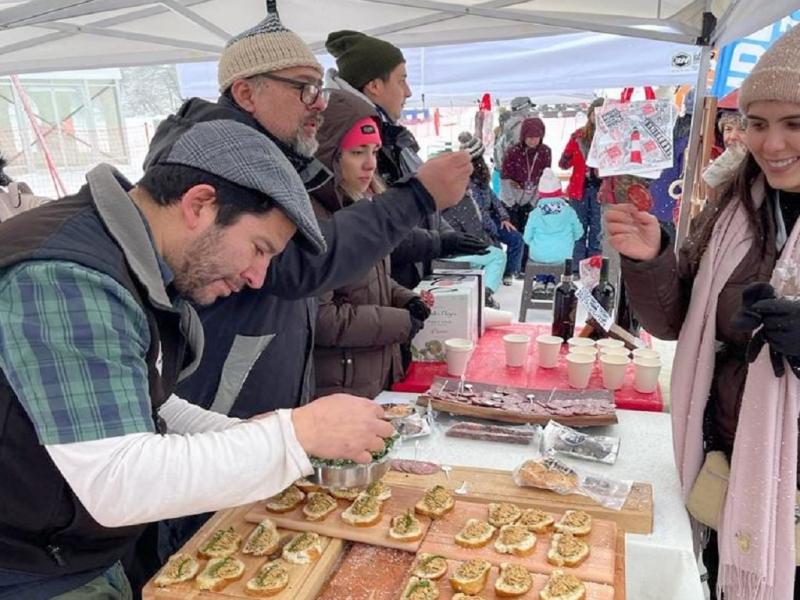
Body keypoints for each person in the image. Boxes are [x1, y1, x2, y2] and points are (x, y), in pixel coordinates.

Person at [142, 2, 471, 582]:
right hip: (223, 384)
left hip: (259, 378)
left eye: (319, 88)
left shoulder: (274, 156)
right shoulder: (220, 155)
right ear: (246, 92)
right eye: (303, 89)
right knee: (212, 551)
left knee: (255, 546)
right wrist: (416, 198)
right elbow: (299, 267)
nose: (317, 103)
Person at [0, 120, 396, 599]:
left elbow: (147, 403)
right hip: (26, 570)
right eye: (259, 249)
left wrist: (249, 433)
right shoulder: (67, 279)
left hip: (72, 553)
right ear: (200, 205)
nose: (257, 277)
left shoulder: (133, 260)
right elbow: (116, 478)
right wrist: (293, 437)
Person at [605, 25, 800, 600]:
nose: (772, 144)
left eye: (795, 123)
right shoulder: (735, 206)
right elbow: (678, 322)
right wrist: (654, 259)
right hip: (731, 454)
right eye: (758, 123)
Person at [325, 29, 489, 291]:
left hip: (403, 289)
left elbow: (423, 204)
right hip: (378, 295)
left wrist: (448, 236)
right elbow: (367, 227)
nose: (409, 91)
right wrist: (440, 242)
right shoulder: (342, 137)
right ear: (375, 86)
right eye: (401, 80)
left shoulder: (395, 139)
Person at [311, 90, 430, 397]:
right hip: (339, 387)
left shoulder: (363, 204)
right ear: (330, 155)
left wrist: (405, 298)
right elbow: (323, 318)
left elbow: (370, 280)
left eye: (375, 151)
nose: (370, 165)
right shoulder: (317, 217)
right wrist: (402, 322)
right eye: (357, 152)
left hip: (372, 375)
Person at [439, 132, 515, 307]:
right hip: (454, 253)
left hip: (439, 248)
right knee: (497, 256)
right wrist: (492, 239)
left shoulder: (442, 193)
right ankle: (485, 295)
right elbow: (475, 235)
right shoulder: (464, 198)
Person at [460, 131, 525, 287]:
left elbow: (493, 197)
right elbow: (477, 210)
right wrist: (493, 232)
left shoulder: (481, 176)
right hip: (476, 223)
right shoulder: (466, 180)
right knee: (495, 250)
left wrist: (504, 217)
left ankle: (509, 271)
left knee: (516, 238)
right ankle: (493, 277)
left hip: (493, 218)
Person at [500, 116, 552, 268]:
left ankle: (526, 265)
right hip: (512, 197)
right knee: (515, 234)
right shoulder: (513, 152)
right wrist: (511, 203)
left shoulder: (545, 152)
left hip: (532, 196)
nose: (533, 141)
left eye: (536, 137)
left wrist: (533, 202)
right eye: (529, 137)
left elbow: (544, 177)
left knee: (530, 233)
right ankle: (512, 267)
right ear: (523, 136)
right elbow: (505, 178)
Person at [560, 98, 604, 269]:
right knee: (578, 229)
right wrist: (568, 155)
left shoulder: (611, 137)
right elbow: (564, 163)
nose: (598, 117)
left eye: (602, 113)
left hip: (601, 189)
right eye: (595, 113)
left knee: (597, 230)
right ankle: (576, 266)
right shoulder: (578, 135)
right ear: (590, 114)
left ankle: (593, 266)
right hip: (580, 189)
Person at [523, 168, 583, 265]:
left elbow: (526, 238)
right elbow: (579, 233)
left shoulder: (535, 214)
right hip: (563, 255)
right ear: (559, 192)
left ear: (540, 193)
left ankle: (541, 278)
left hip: (538, 255)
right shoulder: (569, 212)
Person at [493, 96, 537, 207]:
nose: (530, 112)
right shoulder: (521, 128)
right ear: (523, 109)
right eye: (529, 109)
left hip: (508, 178)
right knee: (521, 214)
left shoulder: (509, 127)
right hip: (518, 181)